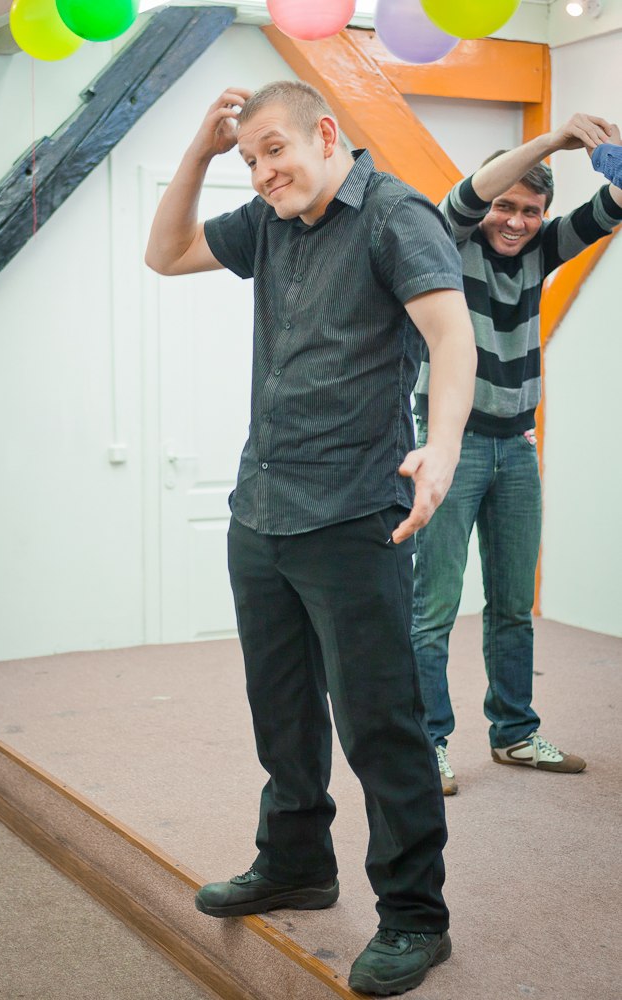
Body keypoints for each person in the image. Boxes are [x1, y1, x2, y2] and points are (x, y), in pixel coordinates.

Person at [145, 80, 476, 996]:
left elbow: (451, 338)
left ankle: (415, 915)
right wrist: (201, 153)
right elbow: (164, 254)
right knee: (281, 711)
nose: (262, 172)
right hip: (261, 509)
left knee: (380, 724)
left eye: (273, 151)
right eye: (249, 159)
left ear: (326, 133)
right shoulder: (268, 220)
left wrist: (443, 446)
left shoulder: (395, 216)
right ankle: (295, 862)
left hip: (353, 515)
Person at [411, 114, 622, 796]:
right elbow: (463, 199)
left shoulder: (540, 248)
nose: (515, 221)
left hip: (516, 443)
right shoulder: (450, 242)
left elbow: (610, 208)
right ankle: (425, 746)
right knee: (434, 606)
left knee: (511, 606)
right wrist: (555, 139)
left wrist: (611, 156)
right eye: (506, 206)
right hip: (450, 443)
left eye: (531, 211)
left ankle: (514, 734)